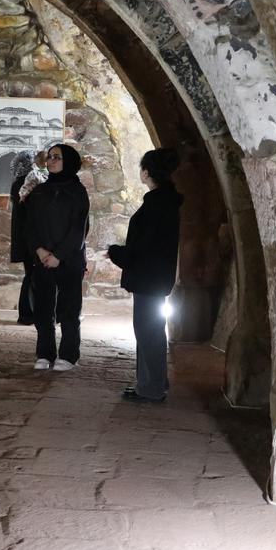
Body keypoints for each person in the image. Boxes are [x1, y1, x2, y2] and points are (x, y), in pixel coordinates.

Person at [106, 148, 182, 402]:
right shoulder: (166, 202)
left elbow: (142, 247)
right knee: (152, 330)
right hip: (156, 277)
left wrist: (116, 253)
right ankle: (155, 381)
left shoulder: (156, 206)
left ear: (147, 172)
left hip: (149, 278)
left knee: (147, 331)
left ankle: (151, 388)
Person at [25, 143, 89, 372]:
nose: (50, 161)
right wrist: (40, 251)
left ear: (68, 161)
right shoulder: (40, 191)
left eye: (56, 157)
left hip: (68, 260)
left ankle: (69, 354)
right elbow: (30, 226)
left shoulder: (78, 192)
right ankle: (45, 352)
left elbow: (78, 229)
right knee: (43, 309)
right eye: (49, 157)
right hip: (43, 258)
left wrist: (59, 256)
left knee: (69, 310)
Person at [8, 151, 37, 326]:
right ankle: (26, 314)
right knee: (32, 276)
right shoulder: (26, 183)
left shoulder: (18, 183)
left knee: (31, 275)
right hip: (29, 238)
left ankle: (28, 313)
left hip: (25, 237)